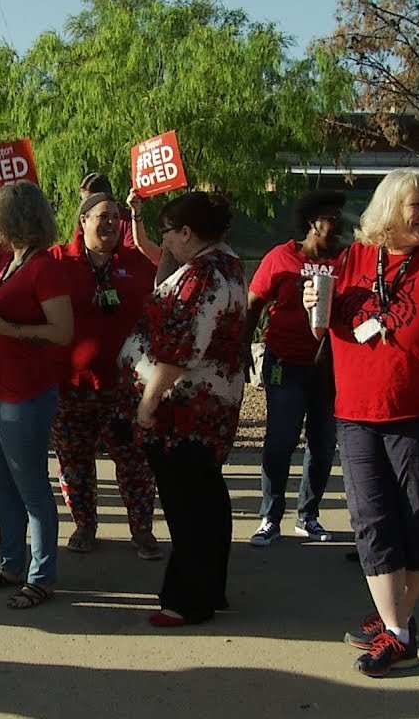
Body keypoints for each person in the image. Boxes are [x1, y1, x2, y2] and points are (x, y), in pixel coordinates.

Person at [303, 167, 419, 677]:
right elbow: (327, 326)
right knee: (370, 521)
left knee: (415, 520)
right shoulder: (352, 259)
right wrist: (315, 304)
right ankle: (397, 629)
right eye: (414, 205)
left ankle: (398, 623)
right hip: (356, 414)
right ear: (385, 208)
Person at [113, 191, 244, 627]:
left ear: (187, 232)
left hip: (184, 411)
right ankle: (209, 586)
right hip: (207, 407)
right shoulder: (225, 263)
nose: (164, 241)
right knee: (207, 500)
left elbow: (178, 349)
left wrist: (147, 403)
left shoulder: (203, 276)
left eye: (168, 232)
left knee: (187, 506)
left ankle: (187, 598)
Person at [0, 180, 73, 610]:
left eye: (0, 212)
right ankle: (11, 563)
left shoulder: (44, 267)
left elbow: (63, 332)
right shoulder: (11, 260)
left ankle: (41, 575)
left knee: (31, 488)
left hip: (25, 392)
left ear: (17, 217)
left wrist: (6, 330)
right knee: (3, 484)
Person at [51, 191, 160, 559]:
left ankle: (142, 530)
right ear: (82, 222)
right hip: (72, 386)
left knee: (134, 462)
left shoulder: (137, 262)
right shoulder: (57, 262)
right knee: (74, 461)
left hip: (127, 387)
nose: (112, 223)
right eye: (103, 216)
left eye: (116, 217)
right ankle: (84, 524)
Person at [245, 190, 346, 546]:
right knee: (280, 440)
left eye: (340, 219)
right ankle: (270, 516)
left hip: (331, 368)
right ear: (311, 223)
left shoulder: (348, 260)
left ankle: (308, 515)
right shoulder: (281, 257)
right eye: (329, 219)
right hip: (284, 363)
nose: (337, 226)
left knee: (322, 443)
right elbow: (253, 304)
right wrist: (243, 348)